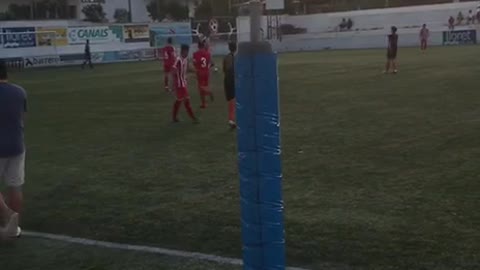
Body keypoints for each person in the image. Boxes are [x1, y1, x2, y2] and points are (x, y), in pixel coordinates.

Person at [0, 60, 25, 239]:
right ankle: (13, 228)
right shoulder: (19, 91)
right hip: (17, 144)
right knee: (15, 186)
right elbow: (21, 117)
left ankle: (7, 214)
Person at [172, 44, 198, 123]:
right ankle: (193, 118)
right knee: (186, 100)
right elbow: (173, 69)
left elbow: (187, 69)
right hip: (180, 84)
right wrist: (174, 83)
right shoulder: (178, 59)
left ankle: (174, 117)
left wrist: (196, 72)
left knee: (179, 101)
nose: (188, 53)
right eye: (187, 51)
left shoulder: (185, 60)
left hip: (183, 83)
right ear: (183, 51)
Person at [193, 41, 214, 109]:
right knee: (205, 85)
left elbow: (194, 63)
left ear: (198, 46)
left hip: (200, 72)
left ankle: (204, 102)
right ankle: (206, 98)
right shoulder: (208, 53)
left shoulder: (195, 54)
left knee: (201, 88)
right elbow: (211, 63)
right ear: (203, 46)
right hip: (206, 72)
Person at [223, 42, 237, 129]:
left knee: (231, 101)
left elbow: (224, 69)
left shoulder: (226, 57)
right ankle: (231, 120)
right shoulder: (236, 58)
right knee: (233, 101)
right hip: (232, 80)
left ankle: (231, 119)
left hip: (226, 80)